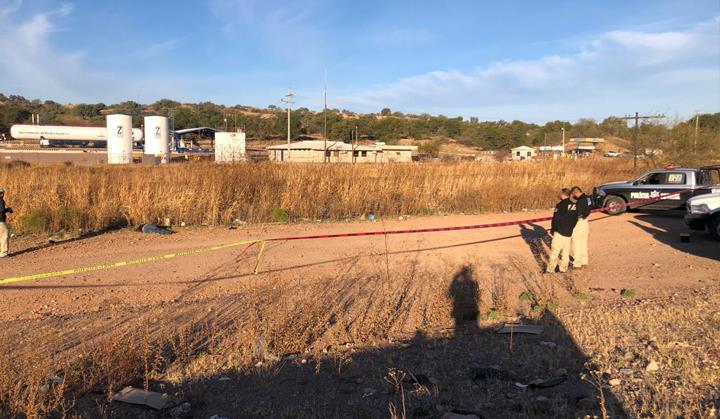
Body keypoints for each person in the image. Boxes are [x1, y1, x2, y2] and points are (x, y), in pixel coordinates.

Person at [545, 188, 577, 273]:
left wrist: (553, 229)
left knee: (555, 252)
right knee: (565, 253)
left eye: (560, 193)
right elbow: (575, 219)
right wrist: (570, 228)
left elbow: (555, 219)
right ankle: (563, 269)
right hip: (569, 232)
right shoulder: (574, 205)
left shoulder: (560, 205)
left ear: (563, 194)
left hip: (559, 232)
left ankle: (550, 269)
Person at [570, 186, 591, 269]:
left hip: (579, 223)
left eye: (573, 195)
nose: (574, 197)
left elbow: (576, 214)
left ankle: (577, 264)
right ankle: (584, 261)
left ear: (576, 193)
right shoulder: (588, 198)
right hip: (585, 222)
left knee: (576, 243)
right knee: (584, 242)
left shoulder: (580, 201)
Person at [0, 188, 13, 258]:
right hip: (1, 222)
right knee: (4, 236)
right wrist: (8, 210)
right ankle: (3, 253)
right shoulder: (1, 201)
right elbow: (1, 210)